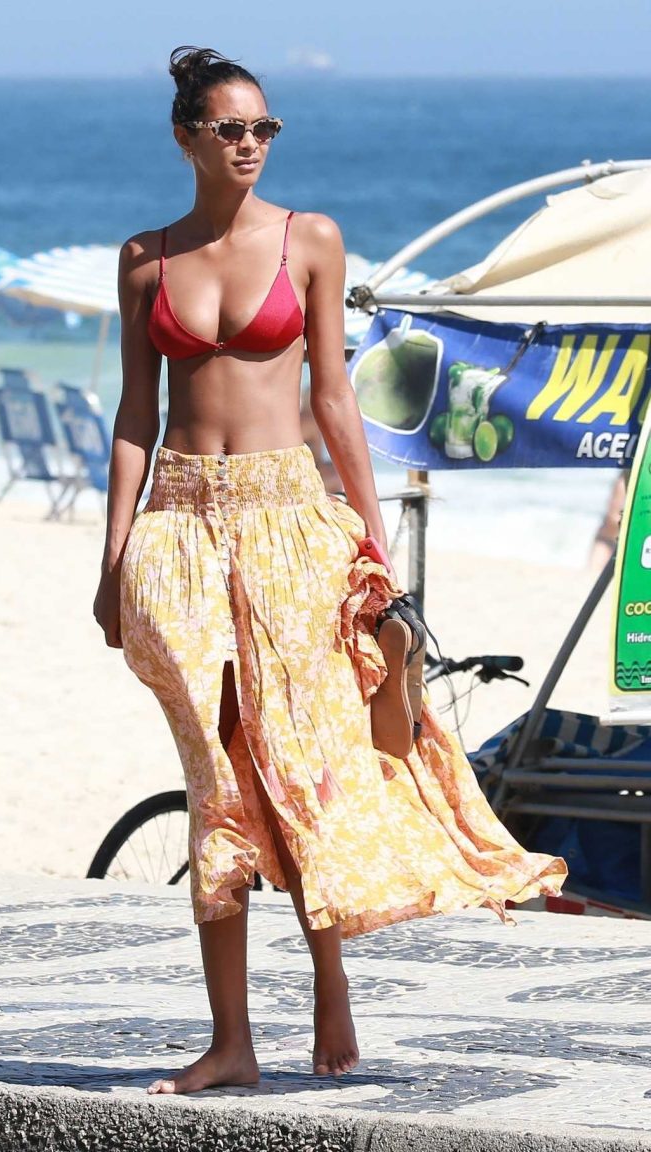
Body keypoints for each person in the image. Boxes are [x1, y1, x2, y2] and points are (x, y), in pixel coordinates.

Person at [93, 46, 566, 1096]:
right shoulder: (143, 259)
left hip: (286, 520)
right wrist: (115, 550)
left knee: (300, 761)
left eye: (265, 129)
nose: (252, 144)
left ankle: (330, 982)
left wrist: (369, 533)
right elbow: (136, 416)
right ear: (187, 138)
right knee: (216, 779)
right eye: (231, 130)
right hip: (178, 523)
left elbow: (336, 399)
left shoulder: (311, 240)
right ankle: (231, 1041)